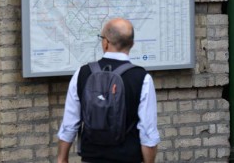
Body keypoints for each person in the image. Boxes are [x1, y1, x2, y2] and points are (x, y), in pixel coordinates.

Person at [57, 18, 160, 163]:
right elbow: (148, 133)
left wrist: (62, 159)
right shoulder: (142, 78)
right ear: (132, 44)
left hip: (91, 158)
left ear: (105, 42)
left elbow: (69, 124)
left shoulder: (82, 73)